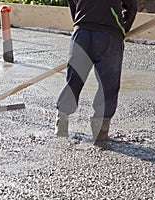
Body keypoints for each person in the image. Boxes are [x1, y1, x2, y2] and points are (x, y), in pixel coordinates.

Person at [54, 0, 138, 141]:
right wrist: (122, 29)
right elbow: (132, 7)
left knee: (74, 79)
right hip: (109, 34)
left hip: (82, 33)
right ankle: (100, 130)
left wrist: (80, 21)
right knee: (108, 83)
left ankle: (61, 122)